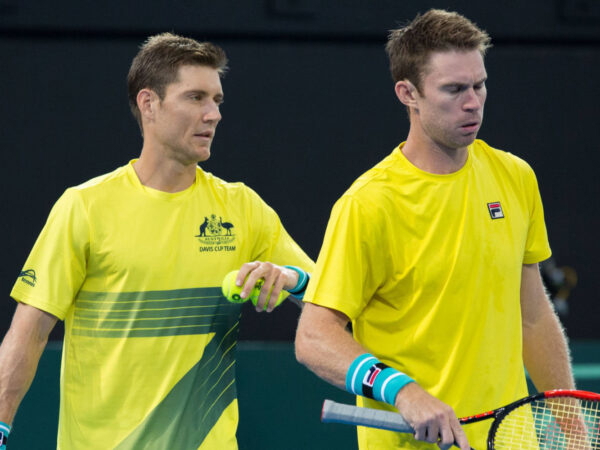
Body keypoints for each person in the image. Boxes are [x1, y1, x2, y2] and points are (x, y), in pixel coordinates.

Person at [0, 32, 314, 449]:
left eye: (217, 100)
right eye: (196, 97)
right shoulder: (85, 207)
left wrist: (291, 277)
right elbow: (29, 332)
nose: (213, 114)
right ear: (149, 104)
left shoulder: (243, 208)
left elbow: (327, 298)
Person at [295, 9, 575, 450]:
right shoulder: (368, 203)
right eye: (454, 89)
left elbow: (533, 317)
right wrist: (403, 392)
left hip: (512, 439)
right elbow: (314, 337)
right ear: (408, 93)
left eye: (479, 85)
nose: (473, 102)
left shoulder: (516, 177)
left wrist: (574, 431)